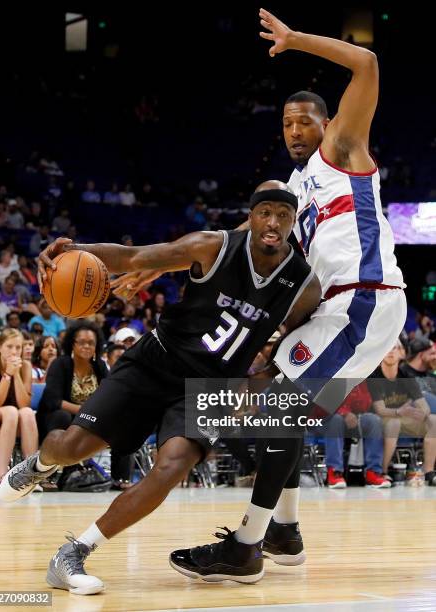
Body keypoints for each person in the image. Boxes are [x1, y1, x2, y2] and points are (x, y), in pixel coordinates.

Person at [169, 8, 406, 583]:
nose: (295, 131)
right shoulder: (294, 193)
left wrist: (297, 41)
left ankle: (246, 546)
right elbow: (302, 277)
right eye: (286, 125)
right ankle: (285, 533)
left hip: (366, 300)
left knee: (277, 412)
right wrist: (273, 331)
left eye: (304, 121)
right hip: (334, 308)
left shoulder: (343, 153)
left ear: (326, 125)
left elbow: (368, 63)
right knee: (259, 404)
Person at [0, 180, 321, 594]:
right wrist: (74, 251)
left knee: (171, 467)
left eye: (283, 213)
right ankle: (42, 463)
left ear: (294, 221)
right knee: (74, 446)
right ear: (252, 216)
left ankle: (73, 554)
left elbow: (297, 342)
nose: (273, 221)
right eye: (265, 211)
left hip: (210, 387)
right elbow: (134, 256)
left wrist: (261, 375)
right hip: (156, 361)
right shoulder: (213, 246)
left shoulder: (303, 283)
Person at [368, 341, 436, 484]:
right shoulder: (374, 375)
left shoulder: (405, 375)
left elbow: (424, 407)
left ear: (401, 353)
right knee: (394, 423)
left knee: (433, 421)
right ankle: (383, 471)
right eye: (386, 348)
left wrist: (420, 412)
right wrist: (401, 410)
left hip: (404, 417)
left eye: (394, 348)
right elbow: (380, 410)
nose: (391, 352)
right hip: (380, 419)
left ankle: (428, 471)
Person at [0, 329, 38, 484]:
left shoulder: (26, 366)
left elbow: (24, 403)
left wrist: (16, 375)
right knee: (11, 411)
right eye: (9, 346)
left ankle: (30, 475)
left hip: (18, 420)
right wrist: (7, 374)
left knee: (27, 413)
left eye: (18, 347)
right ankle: (2, 474)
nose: (14, 352)